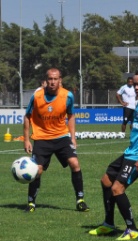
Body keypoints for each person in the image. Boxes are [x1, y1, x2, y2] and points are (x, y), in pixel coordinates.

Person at [89, 69, 138, 240]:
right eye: (135, 84)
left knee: (117, 188)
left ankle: (132, 229)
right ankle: (108, 224)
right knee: (106, 181)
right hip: (131, 152)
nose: (136, 87)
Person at [23, 68, 89, 213]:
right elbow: (27, 116)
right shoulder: (37, 96)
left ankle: (80, 200)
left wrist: (73, 137)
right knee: (37, 170)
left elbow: (71, 116)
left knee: (75, 163)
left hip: (61, 136)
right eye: (50, 79)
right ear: (46, 81)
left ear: (60, 80)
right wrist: (26, 140)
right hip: (42, 138)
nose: (52, 82)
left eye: (55, 79)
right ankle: (31, 203)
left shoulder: (68, 96)